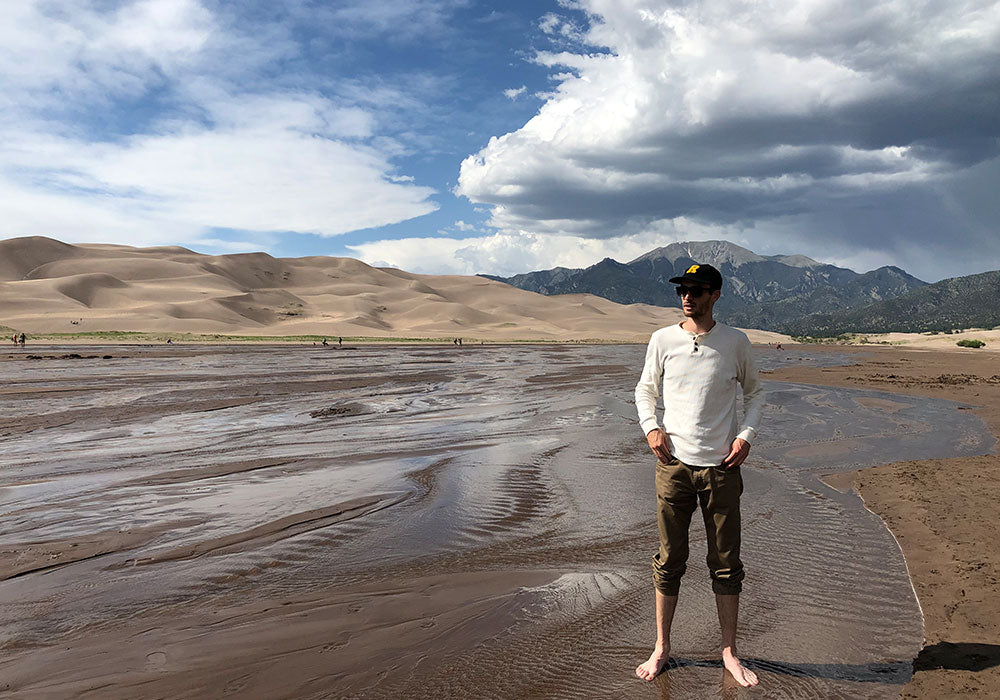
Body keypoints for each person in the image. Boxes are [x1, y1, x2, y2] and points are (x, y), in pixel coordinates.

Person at [633, 262, 765, 687]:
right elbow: (645, 389)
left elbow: (756, 393)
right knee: (669, 561)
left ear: (716, 295)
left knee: (726, 563)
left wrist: (745, 436)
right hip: (673, 468)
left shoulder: (735, 343)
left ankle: (728, 651)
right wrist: (651, 427)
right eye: (682, 290)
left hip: (722, 470)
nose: (687, 296)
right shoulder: (662, 340)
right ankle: (662, 647)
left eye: (698, 289)